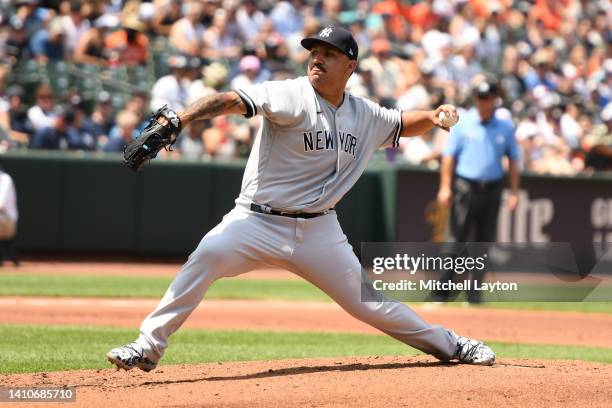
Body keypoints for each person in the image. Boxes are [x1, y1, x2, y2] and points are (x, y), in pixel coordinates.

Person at [107, 26, 495, 372]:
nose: (318, 59)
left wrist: (434, 115)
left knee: (369, 303)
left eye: (329, 54)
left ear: (350, 66)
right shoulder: (289, 94)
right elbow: (229, 100)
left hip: (319, 230)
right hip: (256, 221)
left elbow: (399, 123)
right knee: (205, 257)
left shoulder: (364, 113)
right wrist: (180, 119)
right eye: (314, 52)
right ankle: (148, 346)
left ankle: (452, 344)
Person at [436, 78, 520, 304]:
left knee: (483, 243)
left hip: (492, 188)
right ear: (475, 99)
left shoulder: (505, 126)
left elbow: (513, 160)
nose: (484, 102)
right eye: (481, 98)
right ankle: (442, 291)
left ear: (495, 100)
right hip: (465, 186)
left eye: (488, 98)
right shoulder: (463, 123)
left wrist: (513, 192)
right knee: (455, 239)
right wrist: (445, 187)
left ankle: (474, 294)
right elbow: (448, 157)